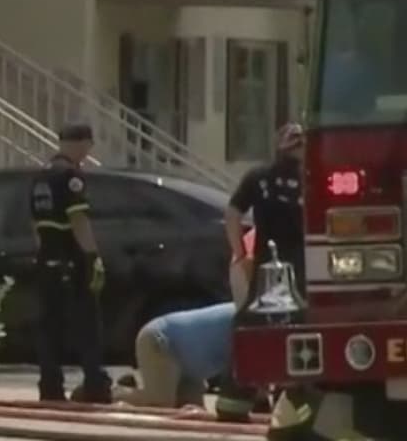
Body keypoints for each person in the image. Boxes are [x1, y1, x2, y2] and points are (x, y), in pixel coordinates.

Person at [114, 230, 257, 409]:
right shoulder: (248, 326)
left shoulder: (248, 319)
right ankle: (116, 394)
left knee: (193, 416)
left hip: (189, 365)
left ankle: (131, 391)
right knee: (161, 403)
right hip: (161, 341)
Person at [30, 122, 111, 404]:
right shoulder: (70, 176)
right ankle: (95, 385)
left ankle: (50, 387)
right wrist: (93, 257)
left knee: (49, 326)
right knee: (87, 324)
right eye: (88, 146)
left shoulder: (40, 176)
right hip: (71, 258)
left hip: (47, 257)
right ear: (82, 143)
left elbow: (35, 224)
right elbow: (78, 220)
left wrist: (43, 254)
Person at [224, 123, 306, 300]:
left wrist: (241, 254)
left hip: (268, 265)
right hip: (298, 266)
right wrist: (241, 255)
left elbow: (233, 213)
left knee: (264, 310)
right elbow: (232, 214)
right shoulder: (311, 178)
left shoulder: (258, 176)